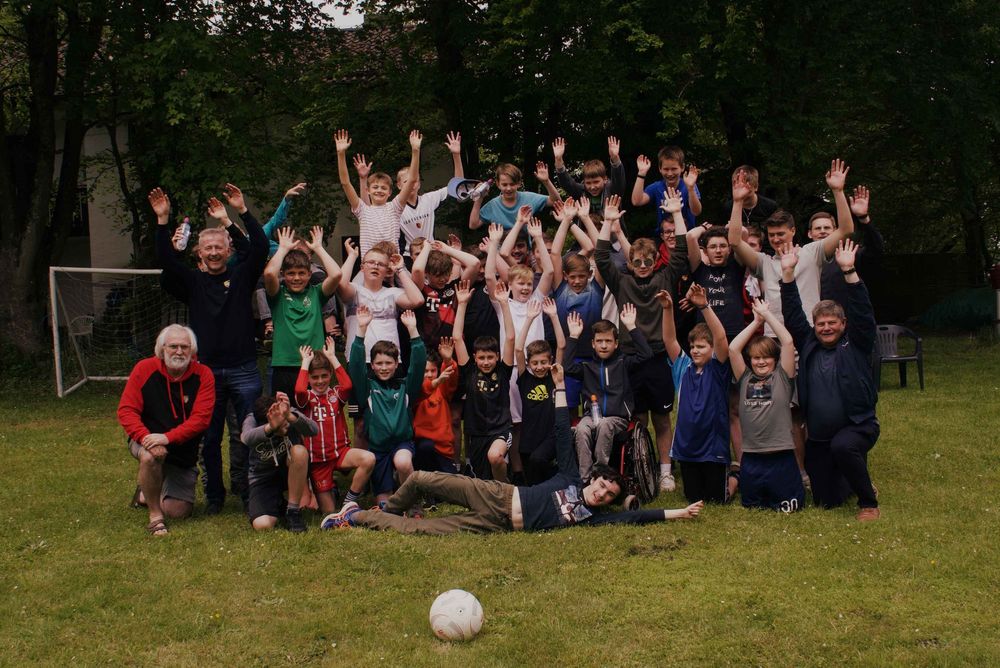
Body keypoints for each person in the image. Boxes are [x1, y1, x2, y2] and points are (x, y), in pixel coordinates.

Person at [322, 364, 704, 534]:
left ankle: (353, 518)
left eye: (608, 496)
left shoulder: (592, 518)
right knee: (422, 478)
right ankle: (386, 507)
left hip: (496, 524)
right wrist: (557, 389)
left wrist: (677, 513)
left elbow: (633, 520)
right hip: (498, 494)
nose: (603, 493)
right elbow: (560, 430)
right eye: (604, 486)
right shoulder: (572, 476)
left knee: (423, 531)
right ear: (596, 478)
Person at [150, 184, 267, 515]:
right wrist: (162, 222)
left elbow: (258, 248)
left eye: (219, 247)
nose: (214, 252)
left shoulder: (242, 275)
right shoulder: (192, 282)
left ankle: (247, 490)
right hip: (205, 373)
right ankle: (214, 496)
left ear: (228, 249)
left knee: (246, 434)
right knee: (210, 437)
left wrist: (238, 213)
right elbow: (166, 264)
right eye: (207, 248)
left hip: (244, 368)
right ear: (198, 253)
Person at [779, 240, 881, 521]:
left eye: (832, 323)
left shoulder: (858, 343)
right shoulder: (809, 342)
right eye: (821, 323)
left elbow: (863, 313)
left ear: (843, 324)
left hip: (858, 425)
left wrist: (850, 272)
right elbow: (793, 315)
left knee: (844, 446)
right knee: (827, 500)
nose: (826, 328)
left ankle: (869, 503)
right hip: (820, 436)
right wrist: (788, 275)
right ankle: (851, 479)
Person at [595, 192, 689, 493]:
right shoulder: (621, 280)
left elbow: (682, 251)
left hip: (660, 358)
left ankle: (665, 471)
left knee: (662, 418)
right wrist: (608, 223)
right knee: (636, 418)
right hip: (631, 358)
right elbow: (600, 257)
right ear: (631, 263)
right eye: (638, 261)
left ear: (655, 261)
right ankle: (638, 468)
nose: (644, 264)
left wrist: (676, 213)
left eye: (648, 260)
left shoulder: (666, 276)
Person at [118, 325, 215, 536]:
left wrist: (167, 438)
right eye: (173, 346)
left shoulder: (204, 375)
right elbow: (126, 411)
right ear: (162, 349)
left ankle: (146, 492)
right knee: (149, 458)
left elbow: (201, 420)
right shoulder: (144, 369)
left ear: (192, 351)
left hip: (182, 448)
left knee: (178, 511)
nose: (179, 352)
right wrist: (146, 438)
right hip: (147, 441)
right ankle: (155, 517)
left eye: (184, 347)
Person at [728, 299, 805, 512]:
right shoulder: (744, 378)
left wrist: (768, 316)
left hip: (781, 453)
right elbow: (733, 349)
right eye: (755, 358)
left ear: (775, 359)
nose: (761, 362)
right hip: (752, 455)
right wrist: (755, 322)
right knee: (752, 506)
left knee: (789, 507)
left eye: (766, 358)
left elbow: (788, 342)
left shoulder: (782, 377)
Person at [347, 306, 427, 507]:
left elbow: (418, 364)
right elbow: (355, 365)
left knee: (403, 462)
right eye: (379, 363)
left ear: (396, 363)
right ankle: (389, 492)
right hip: (378, 449)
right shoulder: (368, 388)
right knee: (385, 504)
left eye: (388, 363)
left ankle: (413, 501)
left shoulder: (406, 386)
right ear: (372, 365)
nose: (384, 368)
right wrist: (361, 330)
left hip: (402, 444)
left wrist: (413, 331)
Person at [659, 285, 732, 503]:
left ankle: (735, 479)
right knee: (693, 498)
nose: (695, 350)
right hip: (687, 448)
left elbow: (720, 338)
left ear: (711, 349)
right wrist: (667, 308)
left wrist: (704, 306)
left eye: (701, 346)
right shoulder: (683, 368)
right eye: (692, 346)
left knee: (717, 499)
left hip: (713, 450)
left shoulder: (718, 368)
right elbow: (669, 340)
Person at [564, 304, 651, 481]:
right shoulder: (587, 367)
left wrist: (632, 327)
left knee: (605, 425)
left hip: (617, 419)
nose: (604, 345)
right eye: (599, 341)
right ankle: (585, 478)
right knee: (581, 429)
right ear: (593, 344)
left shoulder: (623, 363)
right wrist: (573, 336)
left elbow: (646, 355)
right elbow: (566, 366)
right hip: (591, 417)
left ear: (616, 343)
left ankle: (599, 472)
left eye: (608, 341)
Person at [294, 339, 374, 515]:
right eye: (314, 377)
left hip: (340, 453)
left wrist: (332, 357)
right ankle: (332, 489)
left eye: (324, 376)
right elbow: (299, 390)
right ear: (308, 378)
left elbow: (348, 385)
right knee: (329, 511)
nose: (320, 381)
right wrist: (305, 364)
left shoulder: (335, 394)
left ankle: (349, 500)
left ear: (330, 375)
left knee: (368, 459)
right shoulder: (306, 398)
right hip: (318, 461)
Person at [264, 226, 342, 397]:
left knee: (313, 418)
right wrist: (283, 249)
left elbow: (336, 275)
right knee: (285, 418)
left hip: (315, 366)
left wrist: (319, 249)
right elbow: (270, 273)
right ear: (283, 274)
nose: (297, 278)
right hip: (284, 365)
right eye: (291, 273)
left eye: (301, 273)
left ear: (309, 274)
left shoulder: (316, 293)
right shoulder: (278, 295)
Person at [453, 279, 516, 482]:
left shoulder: (503, 370)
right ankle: (492, 492)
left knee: (495, 457)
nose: (486, 362)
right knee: (481, 481)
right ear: (474, 358)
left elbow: (510, 338)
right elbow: (457, 339)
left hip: (500, 430)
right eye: (482, 358)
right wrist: (462, 304)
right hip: (476, 433)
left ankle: (504, 490)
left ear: (497, 357)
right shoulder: (470, 370)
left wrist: (504, 304)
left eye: (490, 357)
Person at [335, 128, 423, 256]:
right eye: (375, 187)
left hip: (392, 265)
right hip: (369, 266)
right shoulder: (362, 210)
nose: (379, 190)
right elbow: (345, 183)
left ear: (390, 192)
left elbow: (412, 180)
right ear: (368, 190)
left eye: (383, 188)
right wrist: (340, 154)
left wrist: (415, 150)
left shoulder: (395, 208)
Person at [241, 392, 318, 532]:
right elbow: (246, 438)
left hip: (290, 471)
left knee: (299, 451)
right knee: (262, 525)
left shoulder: (286, 411)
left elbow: (314, 429)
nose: (285, 427)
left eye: (284, 423)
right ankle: (279, 504)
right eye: (280, 425)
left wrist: (289, 416)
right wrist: (271, 428)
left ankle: (293, 512)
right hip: (263, 477)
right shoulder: (252, 419)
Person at [514, 298, 565, 484]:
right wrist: (529, 319)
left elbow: (561, 345)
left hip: (550, 434)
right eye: (535, 363)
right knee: (531, 474)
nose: (539, 366)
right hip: (529, 437)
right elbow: (518, 349)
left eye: (543, 362)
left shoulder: (554, 375)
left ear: (550, 360)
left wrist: (553, 316)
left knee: (539, 460)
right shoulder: (525, 378)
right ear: (528, 363)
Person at [807, 185, 884, 307]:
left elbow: (876, 249)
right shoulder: (799, 258)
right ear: (810, 233)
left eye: (827, 227)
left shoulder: (849, 254)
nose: (822, 231)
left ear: (835, 231)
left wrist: (863, 218)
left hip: (845, 320)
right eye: (818, 228)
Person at [412, 338, 462, 484]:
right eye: (425, 371)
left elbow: (451, 378)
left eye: (433, 371)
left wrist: (448, 360)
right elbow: (423, 390)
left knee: (452, 487)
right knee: (425, 448)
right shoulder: (414, 390)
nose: (429, 374)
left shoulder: (443, 389)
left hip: (444, 450)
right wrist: (435, 382)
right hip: (423, 449)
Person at [631, 146, 702, 233]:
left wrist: (690, 189)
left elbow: (696, 211)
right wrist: (641, 173)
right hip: (665, 237)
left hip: (686, 236)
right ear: (660, 169)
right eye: (666, 169)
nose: (670, 173)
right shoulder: (657, 187)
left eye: (674, 169)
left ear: (682, 167)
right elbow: (637, 201)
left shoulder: (689, 185)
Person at [547, 136, 627, 212]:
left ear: (605, 179)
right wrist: (558, 159)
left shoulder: (612, 190)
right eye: (588, 183)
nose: (592, 187)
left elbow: (619, 180)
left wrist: (615, 158)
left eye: (596, 182)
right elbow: (566, 183)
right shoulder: (581, 191)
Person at [469, 163, 551, 230]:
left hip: (524, 248)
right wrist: (479, 198)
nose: (508, 188)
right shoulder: (493, 205)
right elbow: (473, 225)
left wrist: (546, 182)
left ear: (518, 183)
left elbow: (555, 201)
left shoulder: (528, 198)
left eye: (512, 184)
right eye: (504, 185)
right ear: (498, 184)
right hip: (500, 249)